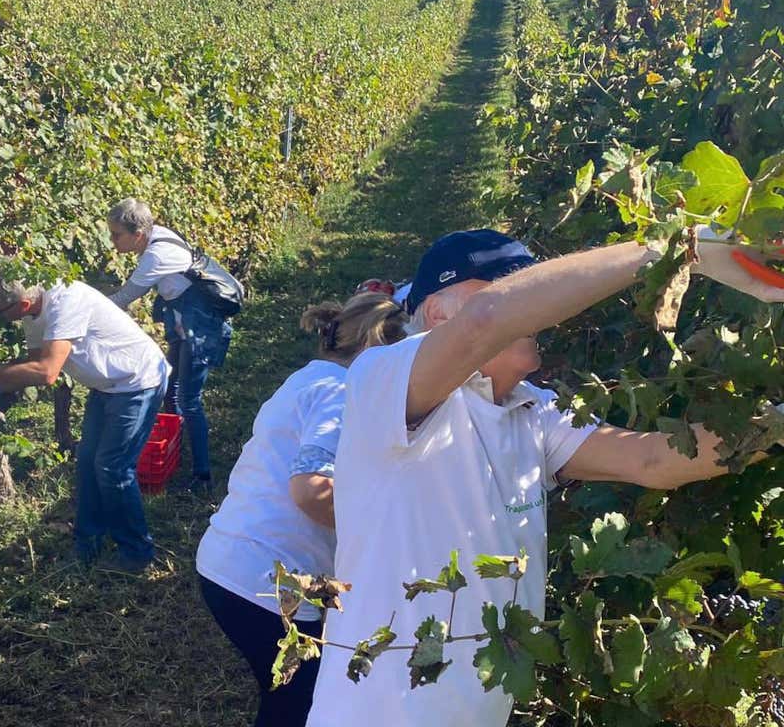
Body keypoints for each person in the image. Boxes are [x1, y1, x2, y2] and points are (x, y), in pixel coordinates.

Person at [306, 229, 784, 727]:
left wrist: (777, 425)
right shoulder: (383, 381)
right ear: (436, 315)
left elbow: (655, 461)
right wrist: (676, 247)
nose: (531, 306)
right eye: (502, 284)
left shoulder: (532, 410)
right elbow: (486, 320)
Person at [195, 292, 407, 727]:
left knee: (291, 693)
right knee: (300, 702)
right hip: (262, 580)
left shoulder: (308, 378)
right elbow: (312, 489)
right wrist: (375, 535)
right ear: (381, 356)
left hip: (231, 559)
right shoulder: (341, 393)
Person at [0, 275, 168, 571]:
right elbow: (30, 364)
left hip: (137, 380)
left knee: (112, 467)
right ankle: (88, 544)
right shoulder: (33, 311)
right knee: (87, 462)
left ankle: (136, 554)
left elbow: (46, 371)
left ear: (23, 303)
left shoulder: (66, 300)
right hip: (109, 385)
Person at [107, 198, 233, 492]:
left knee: (189, 398)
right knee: (172, 388)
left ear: (137, 234)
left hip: (199, 326)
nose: (112, 242)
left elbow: (124, 299)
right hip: (183, 321)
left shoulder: (155, 256)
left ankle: (202, 476)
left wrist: (84, 306)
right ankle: (173, 452)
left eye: (116, 235)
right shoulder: (158, 234)